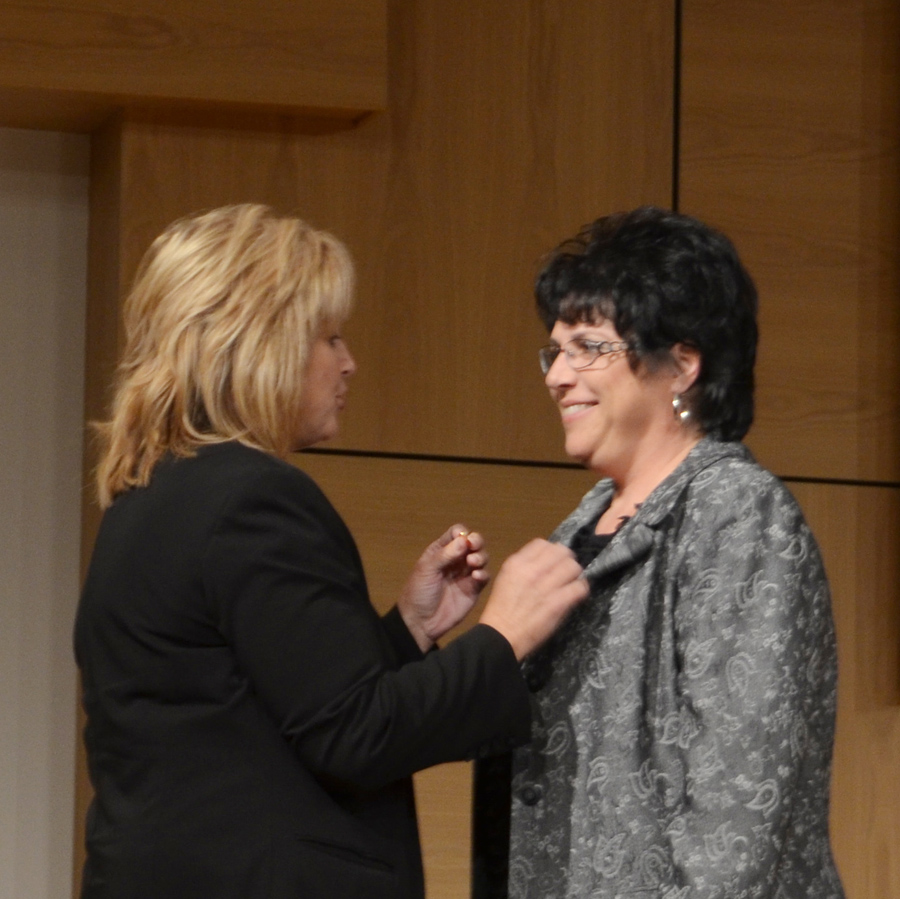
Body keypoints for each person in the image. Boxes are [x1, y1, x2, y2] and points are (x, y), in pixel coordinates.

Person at [74, 203, 588, 899]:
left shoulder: (149, 497)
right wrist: (505, 634)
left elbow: (262, 710)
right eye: (330, 338)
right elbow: (356, 738)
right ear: (262, 343)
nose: (349, 363)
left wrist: (407, 631)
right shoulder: (252, 497)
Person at [497, 206, 845, 898]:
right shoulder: (576, 533)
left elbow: (736, 808)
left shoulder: (736, 512)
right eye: (554, 351)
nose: (557, 375)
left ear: (682, 365)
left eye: (588, 347)